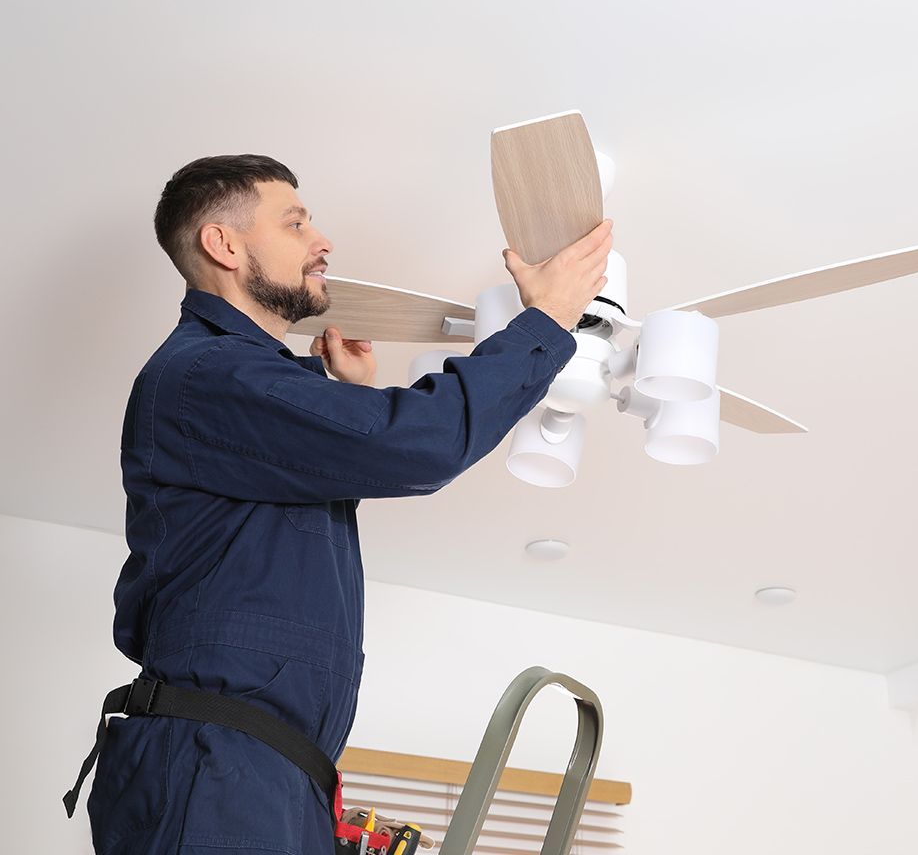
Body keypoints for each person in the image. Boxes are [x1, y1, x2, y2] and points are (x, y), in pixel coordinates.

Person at [76, 154, 612, 855]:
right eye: (295, 222)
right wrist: (545, 321)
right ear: (224, 244)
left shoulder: (229, 387)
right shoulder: (207, 374)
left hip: (264, 773)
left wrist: (344, 398)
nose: (321, 240)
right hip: (220, 766)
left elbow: (285, 500)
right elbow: (421, 445)